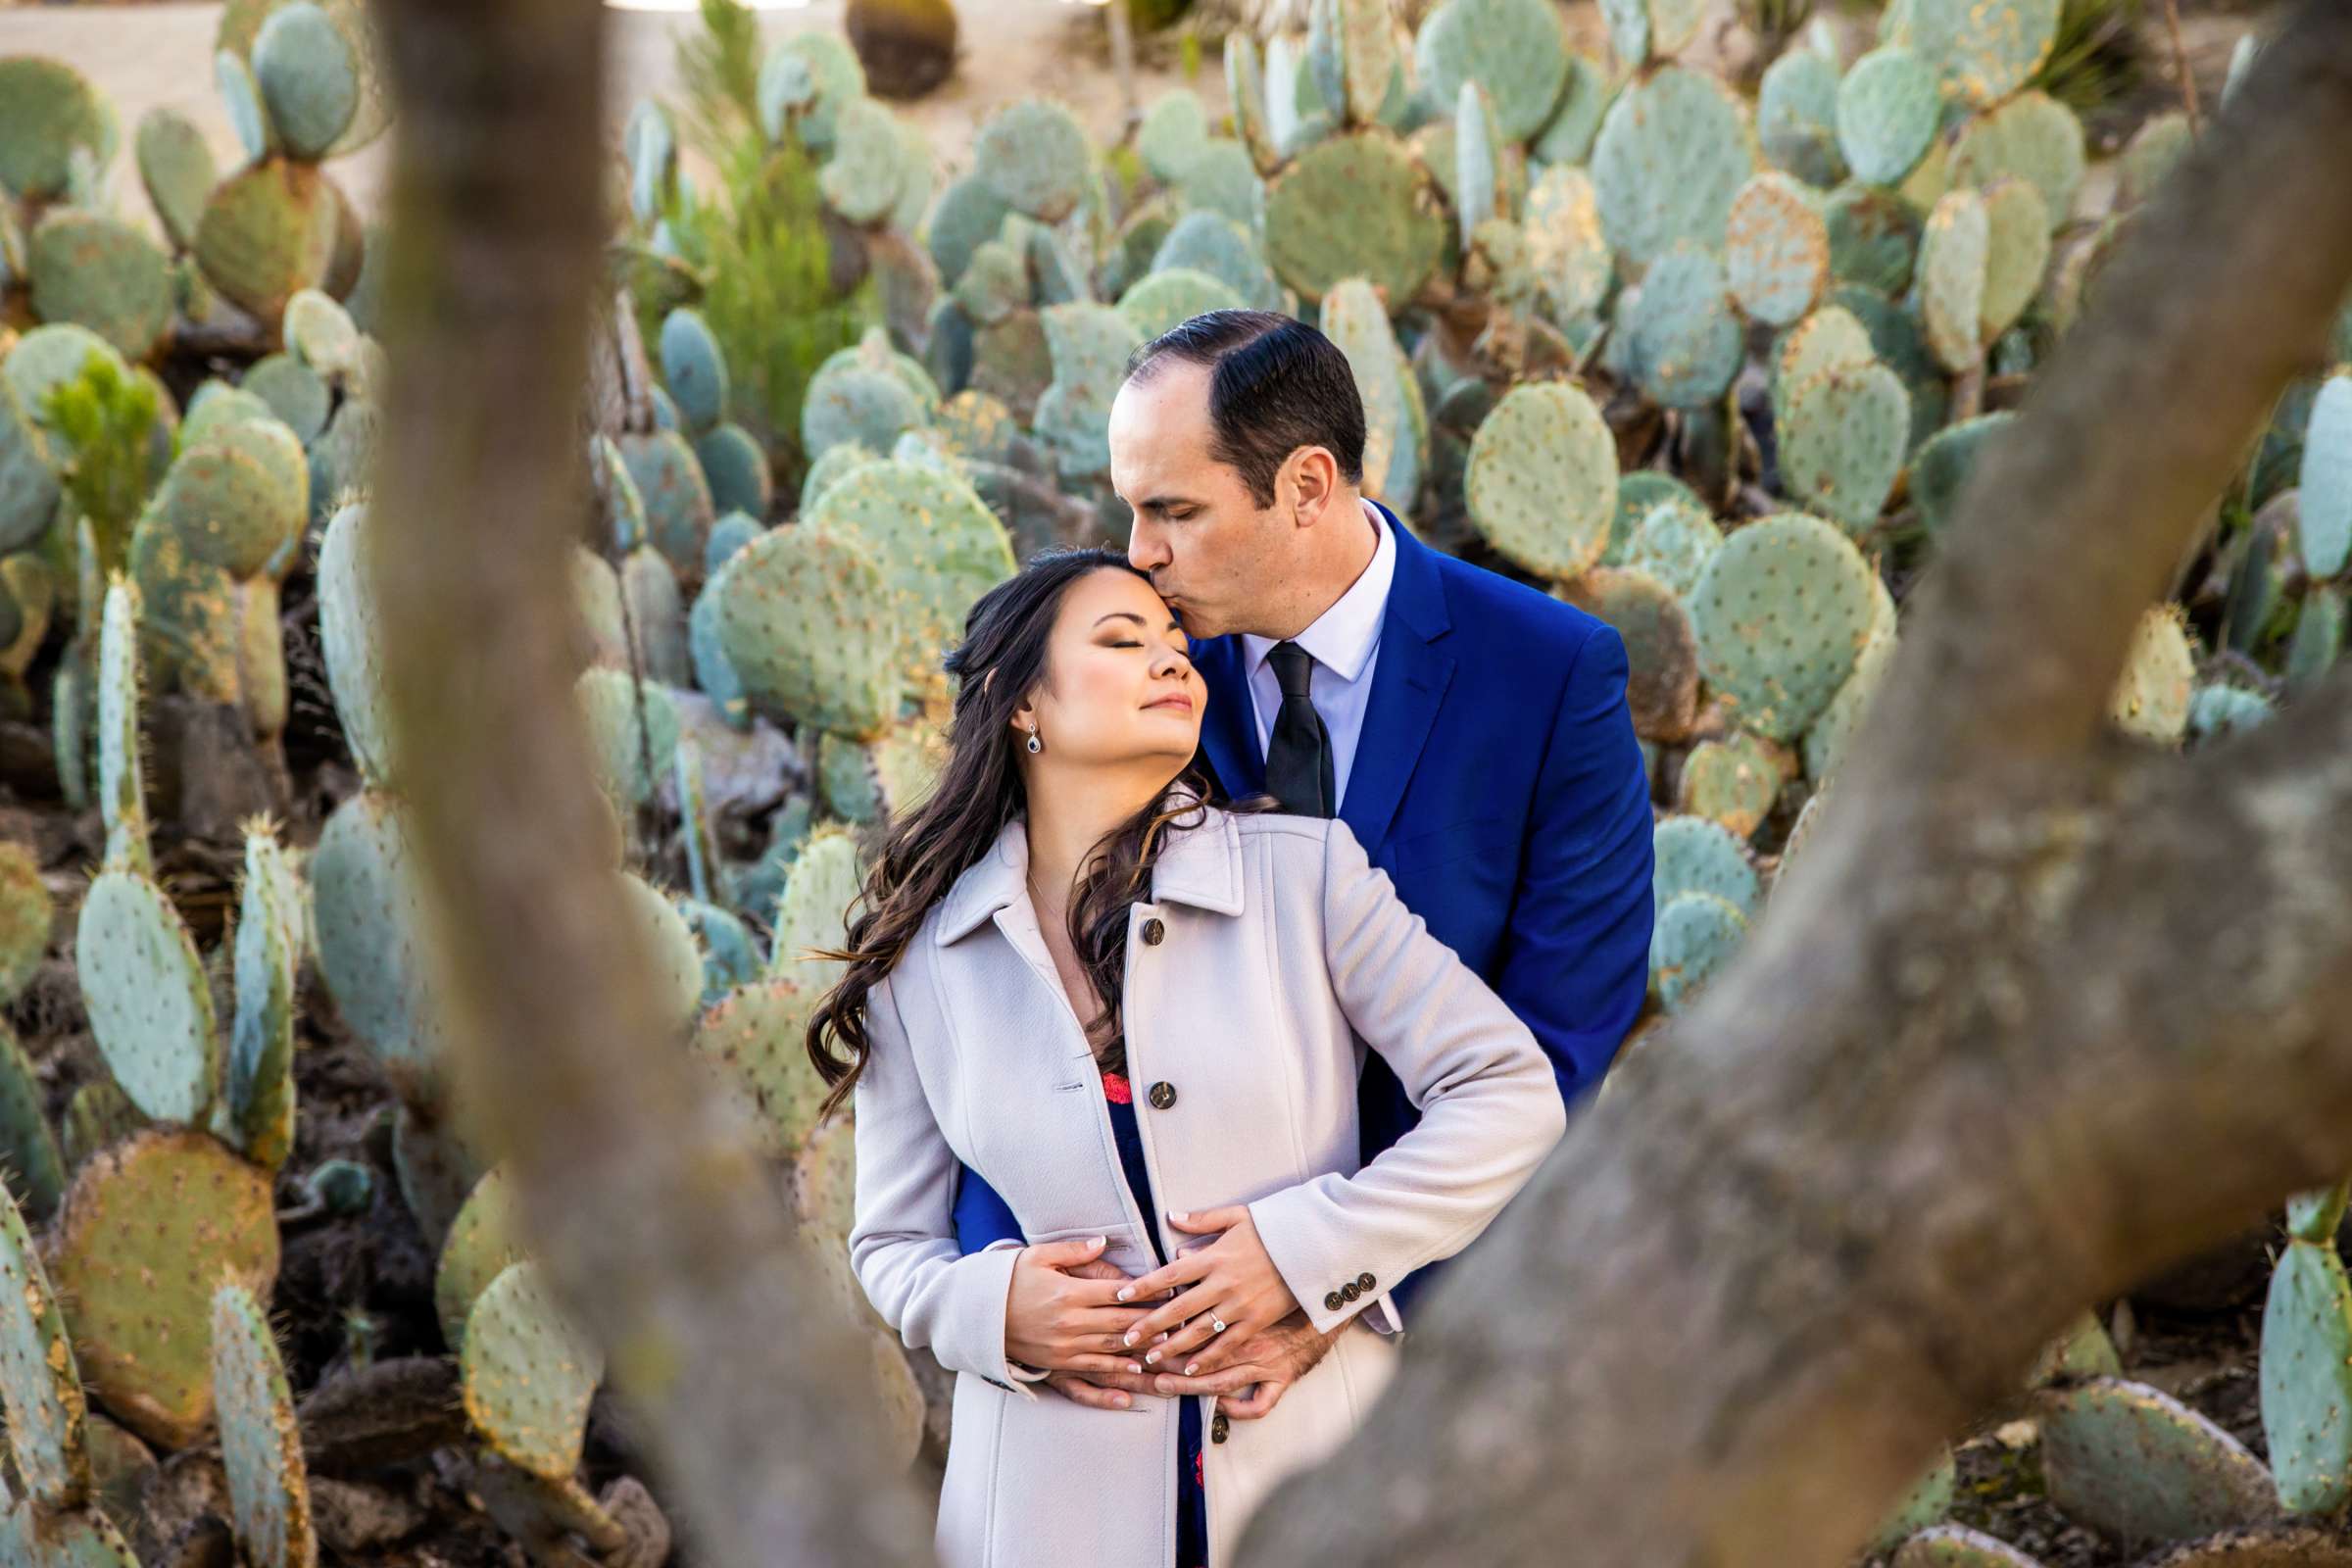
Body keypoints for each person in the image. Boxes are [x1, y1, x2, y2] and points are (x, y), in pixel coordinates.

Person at [953, 311, 1656, 1420]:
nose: (1139, 554)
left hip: (1450, 1326)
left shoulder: (1551, 675)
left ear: (1308, 486)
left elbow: (1560, 1041)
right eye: (1134, 508)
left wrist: (1328, 1285)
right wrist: (1014, 1290)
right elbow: (1017, 996)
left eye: (1175, 511)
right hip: (1152, 1337)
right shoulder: (1141, 676)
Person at [810, 548, 1565, 1568]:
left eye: (1178, 643)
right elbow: (889, 1243)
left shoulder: (1309, 877)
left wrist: (1310, 1255)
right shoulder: (923, 962)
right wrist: (996, 1310)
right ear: (1021, 701)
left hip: (1319, 1481)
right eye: (1125, 642)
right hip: (1039, 1513)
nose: (1176, 662)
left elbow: (1511, 1093)